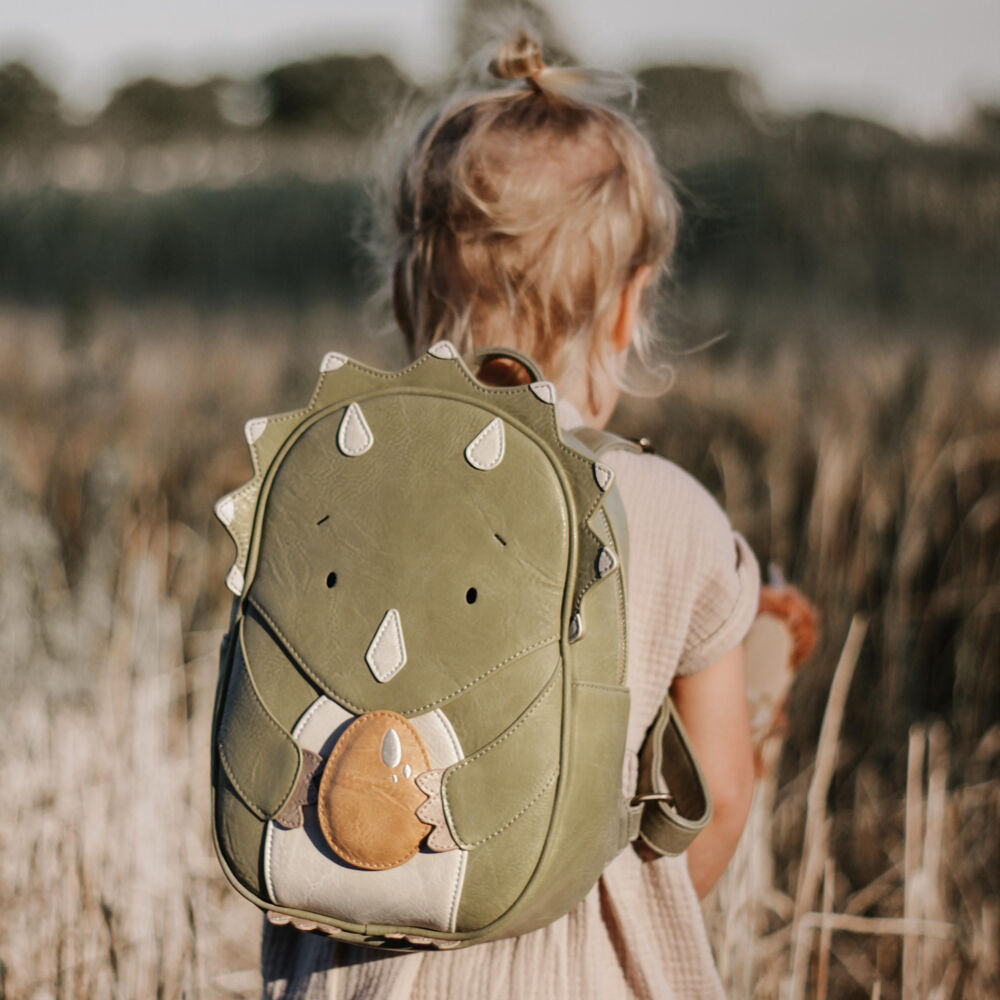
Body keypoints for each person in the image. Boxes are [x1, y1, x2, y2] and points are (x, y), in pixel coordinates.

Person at [263, 29, 760, 1000]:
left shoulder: (323, 490)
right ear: (627, 311)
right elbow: (725, 797)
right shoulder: (671, 511)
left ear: (409, 288)